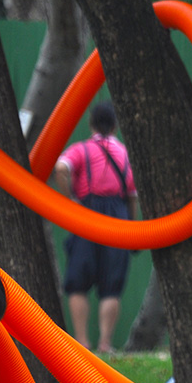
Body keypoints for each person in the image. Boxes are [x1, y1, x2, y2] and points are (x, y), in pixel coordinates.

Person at [54, 101, 137, 354]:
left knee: (78, 280)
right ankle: (105, 343)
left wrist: (70, 201)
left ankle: (81, 342)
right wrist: (131, 226)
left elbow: (61, 167)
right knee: (111, 284)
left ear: (91, 123)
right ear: (115, 125)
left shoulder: (81, 149)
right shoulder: (124, 152)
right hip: (118, 217)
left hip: (86, 213)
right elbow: (132, 195)